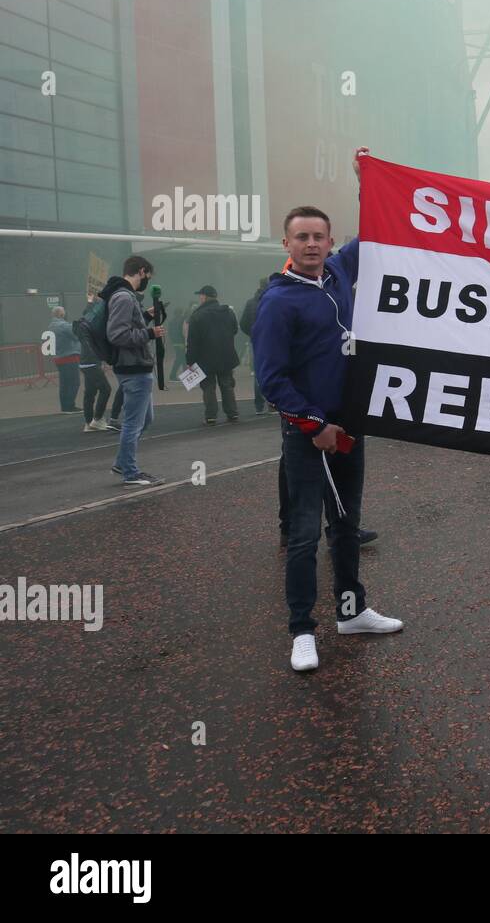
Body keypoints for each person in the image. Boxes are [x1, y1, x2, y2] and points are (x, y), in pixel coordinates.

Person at [253, 150, 402, 672]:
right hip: (308, 434)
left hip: (349, 430)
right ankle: (301, 631)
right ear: (286, 244)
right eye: (302, 237)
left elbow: (379, 233)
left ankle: (351, 610)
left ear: (330, 242)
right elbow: (271, 379)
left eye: (320, 236)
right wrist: (313, 424)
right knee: (302, 535)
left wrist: (372, 187)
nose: (312, 244)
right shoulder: (278, 303)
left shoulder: (339, 272)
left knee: (345, 524)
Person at [104, 256, 166, 485]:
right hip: (133, 367)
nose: (147, 281)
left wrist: (147, 316)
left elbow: (127, 325)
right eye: (147, 276)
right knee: (133, 423)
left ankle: (123, 462)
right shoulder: (123, 297)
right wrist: (150, 333)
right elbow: (117, 334)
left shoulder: (124, 296)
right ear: (141, 271)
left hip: (135, 366)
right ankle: (130, 471)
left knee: (145, 419)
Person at [187, 286, 241, 425]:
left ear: (204, 297)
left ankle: (211, 416)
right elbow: (235, 330)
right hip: (226, 355)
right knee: (227, 385)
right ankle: (232, 413)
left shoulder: (197, 316)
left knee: (208, 387)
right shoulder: (228, 312)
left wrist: (190, 361)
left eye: (201, 296)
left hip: (205, 358)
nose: (200, 298)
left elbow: (192, 341)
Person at [74, 292, 112, 432]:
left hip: (85, 362)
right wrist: (98, 301)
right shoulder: (90, 327)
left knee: (89, 393)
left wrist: (90, 301)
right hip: (91, 362)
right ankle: (97, 419)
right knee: (106, 389)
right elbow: (94, 314)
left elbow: (88, 313)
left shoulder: (81, 327)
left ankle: (88, 422)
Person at [240, 278, 270, 414]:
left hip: (256, 341)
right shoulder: (275, 300)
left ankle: (259, 406)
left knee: (258, 373)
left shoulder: (251, 303)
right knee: (275, 371)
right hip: (274, 342)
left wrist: (253, 334)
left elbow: (243, 324)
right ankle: (273, 404)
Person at [47, 306, 80, 413]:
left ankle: (65, 406)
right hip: (69, 357)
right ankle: (70, 406)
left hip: (59, 357)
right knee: (74, 382)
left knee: (64, 383)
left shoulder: (51, 326)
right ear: (62, 314)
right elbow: (76, 336)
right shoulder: (64, 325)